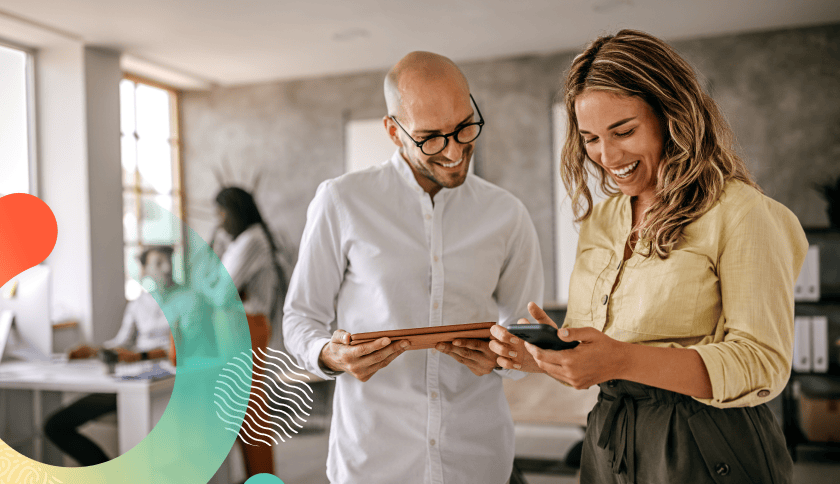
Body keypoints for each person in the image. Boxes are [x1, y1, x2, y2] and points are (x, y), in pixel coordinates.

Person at [490, 29, 808, 483]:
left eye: (624, 131)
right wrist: (539, 357)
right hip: (609, 442)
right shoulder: (602, 221)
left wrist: (622, 360)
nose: (606, 154)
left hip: (708, 443)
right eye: (591, 138)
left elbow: (762, 364)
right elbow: (598, 355)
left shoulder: (742, 213)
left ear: (671, 115)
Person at [283, 51, 544, 484]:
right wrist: (332, 355)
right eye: (431, 138)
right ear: (393, 130)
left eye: (464, 127)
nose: (455, 150)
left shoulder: (508, 214)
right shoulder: (342, 201)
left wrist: (503, 357)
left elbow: (524, 331)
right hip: (373, 459)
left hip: (479, 457)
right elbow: (299, 318)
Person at [44, 246, 178, 466]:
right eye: (159, 262)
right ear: (143, 269)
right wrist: (94, 350)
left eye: (170, 261)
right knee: (56, 426)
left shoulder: (187, 300)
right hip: (133, 379)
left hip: (166, 381)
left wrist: (140, 356)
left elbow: (182, 350)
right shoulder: (137, 305)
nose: (167, 268)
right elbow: (120, 343)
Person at [206, 186, 286, 478]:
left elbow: (219, 291)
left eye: (221, 213)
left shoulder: (252, 239)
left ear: (235, 210)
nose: (219, 221)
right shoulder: (243, 240)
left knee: (249, 409)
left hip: (247, 328)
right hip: (238, 327)